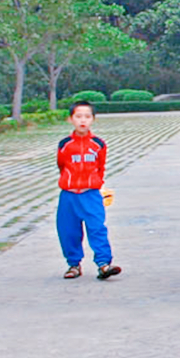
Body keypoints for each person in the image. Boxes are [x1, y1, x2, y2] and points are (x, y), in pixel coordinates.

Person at [55, 99, 121, 282]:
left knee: (97, 228)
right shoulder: (65, 145)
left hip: (91, 194)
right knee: (68, 230)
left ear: (93, 119)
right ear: (70, 119)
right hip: (69, 195)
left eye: (87, 116)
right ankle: (73, 264)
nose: (82, 120)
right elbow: (61, 166)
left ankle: (104, 264)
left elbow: (100, 167)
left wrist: (95, 183)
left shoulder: (98, 144)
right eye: (78, 116)